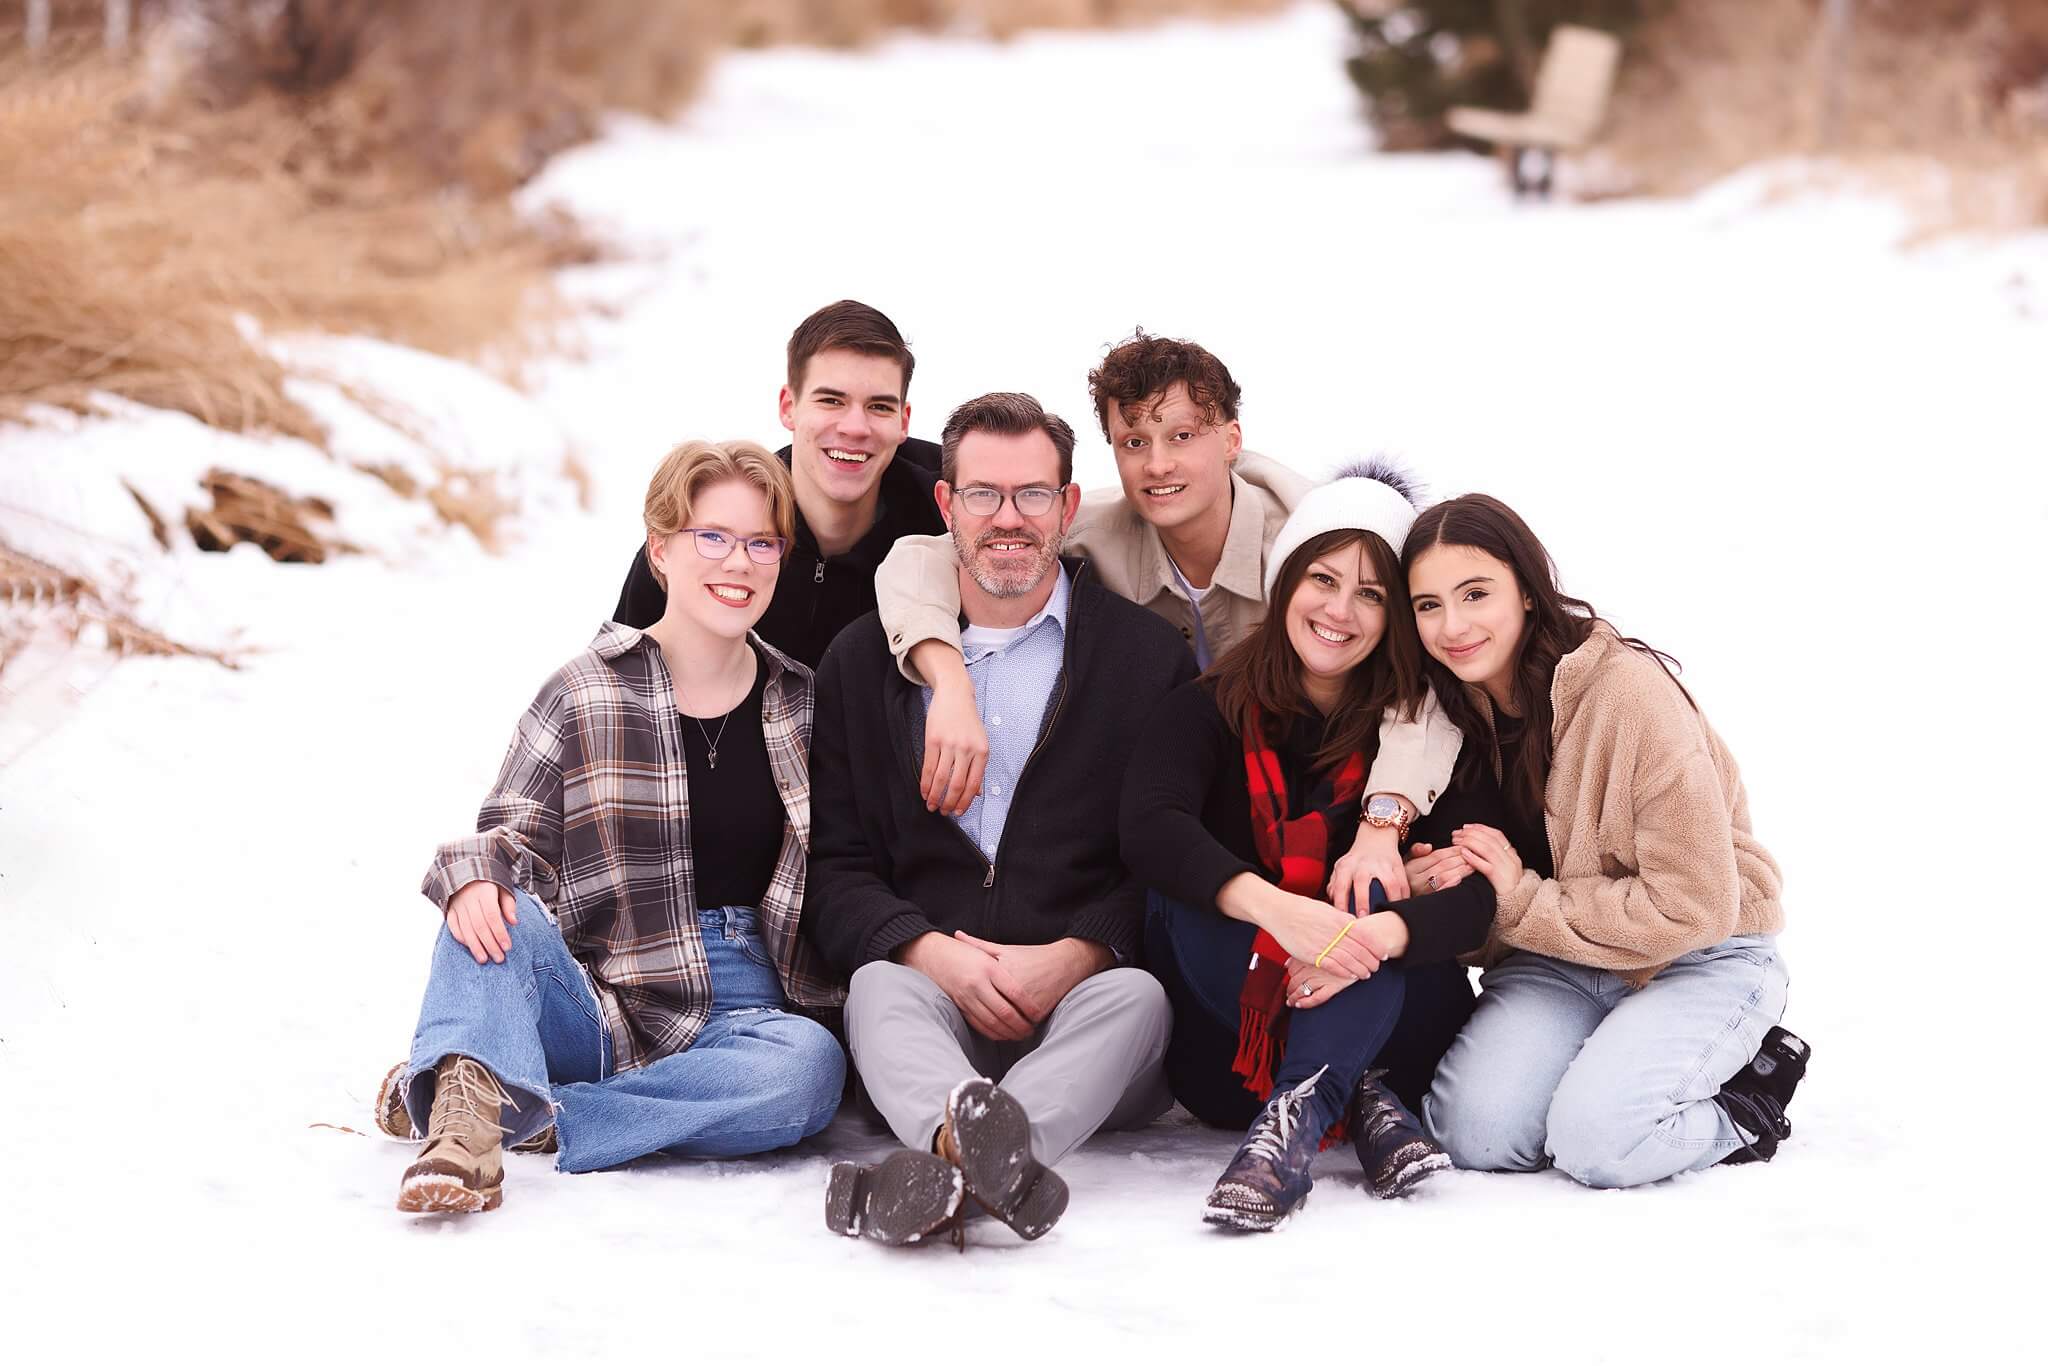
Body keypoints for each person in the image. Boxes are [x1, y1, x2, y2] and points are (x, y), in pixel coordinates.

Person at [381, 441, 846, 1214]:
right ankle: (463, 1126)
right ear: (660, 549)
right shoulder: (585, 689)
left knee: (808, 1073)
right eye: (714, 537)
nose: (739, 562)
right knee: (490, 902)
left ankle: (532, 1109)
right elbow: (507, 840)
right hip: (600, 1000)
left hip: (744, 1019)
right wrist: (472, 878)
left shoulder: (803, 706)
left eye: (762, 543)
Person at [873, 331, 1457, 910]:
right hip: (1179, 811)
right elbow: (922, 557)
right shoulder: (1088, 527)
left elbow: (1422, 677)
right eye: (1133, 442)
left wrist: (1383, 823)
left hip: (1321, 790)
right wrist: (950, 683)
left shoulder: (1321, 537)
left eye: (1181, 436)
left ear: (1231, 439)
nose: (1157, 464)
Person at [808, 392, 1195, 1247]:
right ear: (946, 506)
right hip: (929, 1011)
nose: (1008, 519)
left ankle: (949, 1165)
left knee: (1137, 996)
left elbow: (1165, 863)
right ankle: (979, 1159)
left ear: (1068, 506)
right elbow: (834, 872)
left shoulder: (1145, 661)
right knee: (878, 985)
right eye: (983, 494)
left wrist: (1080, 954)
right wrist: (927, 949)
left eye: (1032, 495)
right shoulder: (861, 662)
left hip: (1083, 1025)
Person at [1122, 463, 1506, 1231]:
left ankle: (1294, 1129)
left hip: (1403, 1031)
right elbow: (1150, 827)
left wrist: (1371, 927)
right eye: (1323, 579)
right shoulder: (1209, 709)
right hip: (1231, 1051)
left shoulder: (1424, 735)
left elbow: (1476, 894)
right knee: (1187, 891)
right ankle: (1357, 1096)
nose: (1341, 611)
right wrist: (1287, 916)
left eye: (1371, 594)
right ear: (1286, 578)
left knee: (1372, 900)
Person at [1406, 494, 1809, 1190]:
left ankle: (1750, 1102)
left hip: (1698, 951)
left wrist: (1520, 897)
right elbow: (1494, 905)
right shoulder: (1443, 713)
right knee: (1473, 1133)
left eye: (1476, 594)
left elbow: (1695, 906)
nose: (1454, 625)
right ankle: (1614, 1063)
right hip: (1559, 959)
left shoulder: (1629, 697)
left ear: (1528, 593)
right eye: (1428, 605)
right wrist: (1442, 889)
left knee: (1599, 1143)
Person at [610, 300, 946, 667]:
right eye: (831, 400)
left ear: (904, 420)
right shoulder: (704, 530)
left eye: (879, 407)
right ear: (788, 406)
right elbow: (622, 682)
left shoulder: (951, 511)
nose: (854, 427)